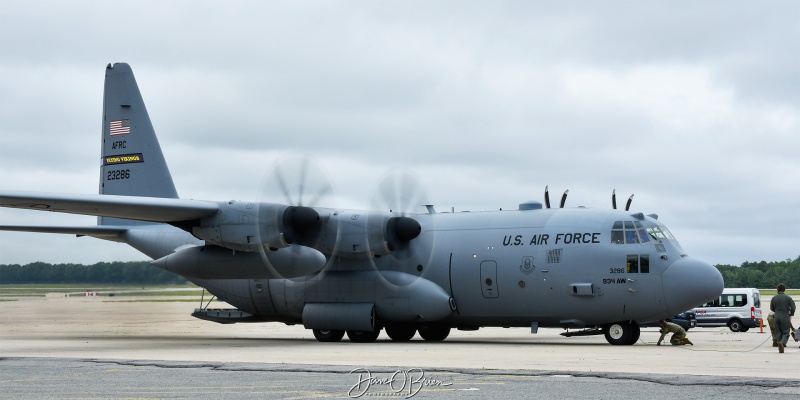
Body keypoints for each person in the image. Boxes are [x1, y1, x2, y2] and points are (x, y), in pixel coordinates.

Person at [769, 283, 796, 354]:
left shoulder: (774, 298)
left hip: (776, 317)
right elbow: (793, 307)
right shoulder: (788, 298)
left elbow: (771, 308)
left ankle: (780, 346)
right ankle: (782, 342)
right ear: (784, 289)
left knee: (778, 332)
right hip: (785, 316)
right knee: (786, 332)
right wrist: (791, 313)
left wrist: (777, 311)